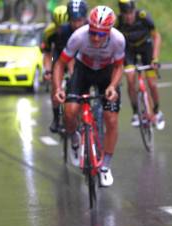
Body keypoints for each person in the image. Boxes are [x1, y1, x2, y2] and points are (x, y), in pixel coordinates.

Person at [52, 5, 124, 187]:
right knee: (69, 112)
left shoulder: (118, 40)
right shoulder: (79, 36)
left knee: (112, 119)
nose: (95, 37)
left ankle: (105, 166)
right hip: (83, 71)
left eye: (100, 34)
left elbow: (118, 66)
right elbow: (60, 64)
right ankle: (75, 138)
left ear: (108, 31)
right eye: (93, 32)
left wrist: (113, 87)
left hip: (107, 73)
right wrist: (58, 88)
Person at [115, 0, 164, 130]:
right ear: (121, 14)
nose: (129, 17)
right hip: (129, 50)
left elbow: (156, 37)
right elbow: (113, 41)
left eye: (131, 13)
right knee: (130, 79)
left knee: (152, 83)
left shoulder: (143, 17)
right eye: (125, 14)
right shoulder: (118, 22)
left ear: (134, 11)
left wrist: (155, 58)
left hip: (146, 48)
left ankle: (157, 111)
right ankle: (136, 112)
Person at [42, 1, 88, 133]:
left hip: (76, 55)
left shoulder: (80, 29)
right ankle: (56, 117)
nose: (59, 28)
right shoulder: (51, 32)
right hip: (58, 54)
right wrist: (48, 70)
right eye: (57, 25)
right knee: (55, 84)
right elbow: (48, 53)